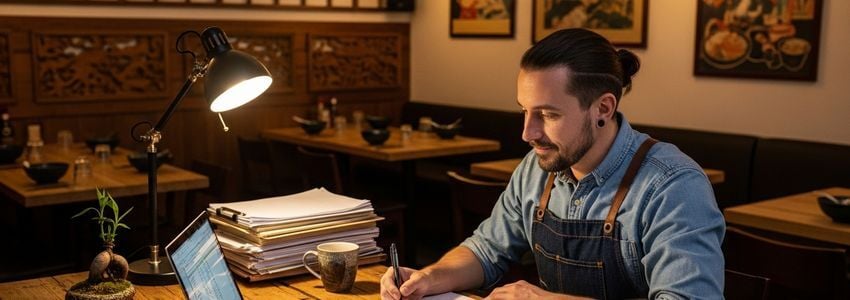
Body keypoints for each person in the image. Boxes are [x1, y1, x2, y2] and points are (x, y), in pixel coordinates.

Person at [380, 28, 725, 299]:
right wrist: (430, 277)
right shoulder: (537, 167)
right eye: (524, 111)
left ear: (603, 108)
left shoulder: (673, 186)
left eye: (547, 114)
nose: (527, 133)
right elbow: (488, 248)